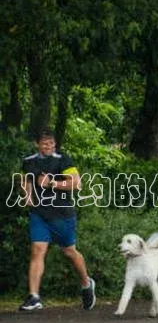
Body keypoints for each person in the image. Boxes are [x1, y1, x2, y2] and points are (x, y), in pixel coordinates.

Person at [18, 129, 96, 312]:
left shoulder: (63, 160)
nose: (49, 146)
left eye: (52, 143)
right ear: (38, 144)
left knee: (69, 252)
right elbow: (26, 181)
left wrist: (53, 183)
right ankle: (34, 297)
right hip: (39, 214)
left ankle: (86, 284)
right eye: (45, 143)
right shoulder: (29, 161)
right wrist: (27, 195)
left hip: (62, 214)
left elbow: (76, 183)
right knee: (37, 250)